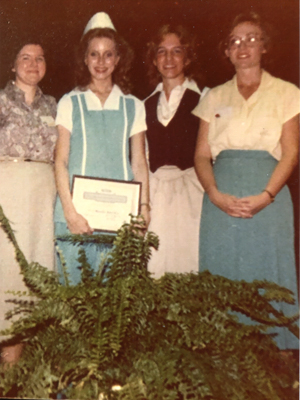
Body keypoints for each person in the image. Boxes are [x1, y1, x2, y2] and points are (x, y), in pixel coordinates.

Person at [193, 12, 299, 349]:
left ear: (264, 46)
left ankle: (280, 363)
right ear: (226, 51)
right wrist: (214, 194)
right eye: (235, 41)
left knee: (270, 274)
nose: (243, 46)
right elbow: (201, 155)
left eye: (252, 38)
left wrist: (266, 196)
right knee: (223, 273)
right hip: (220, 197)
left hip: (268, 194)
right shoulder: (213, 96)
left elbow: (291, 153)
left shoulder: (287, 92)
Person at [54, 12, 150, 285]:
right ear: (84, 58)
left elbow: (140, 162)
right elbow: (60, 161)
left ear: (118, 59)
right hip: (74, 216)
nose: (101, 62)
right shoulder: (70, 102)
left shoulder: (134, 105)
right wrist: (70, 213)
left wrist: (143, 209)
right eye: (94, 54)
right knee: (74, 303)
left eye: (108, 54)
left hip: (118, 218)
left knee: (113, 308)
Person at [0, 41, 58, 364]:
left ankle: (13, 371)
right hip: (7, 195)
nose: (33, 63)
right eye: (25, 57)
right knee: (4, 275)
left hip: (41, 202)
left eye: (40, 57)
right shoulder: (1, 100)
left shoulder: (55, 106)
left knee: (28, 280)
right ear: (13, 65)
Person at [144, 25, 208, 278]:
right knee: (156, 267)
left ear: (188, 57)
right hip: (157, 194)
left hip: (191, 194)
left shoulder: (204, 99)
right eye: (162, 52)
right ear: (154, 59)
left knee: (189, 263)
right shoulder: (144, 104)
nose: (169, 59)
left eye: (177, 51)